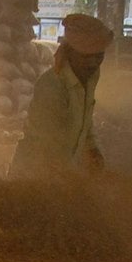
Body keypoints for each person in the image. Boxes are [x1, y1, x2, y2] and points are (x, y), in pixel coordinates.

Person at [10, 13, 114, 174]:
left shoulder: (90, 77)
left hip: (61, 171)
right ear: (71, 53)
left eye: (99, 56)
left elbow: (84, 121)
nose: (93, 63)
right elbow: (47, 143)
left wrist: (93, 151)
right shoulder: (51, 86)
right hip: (34, 173)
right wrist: (68, 180)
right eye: (86, 57)